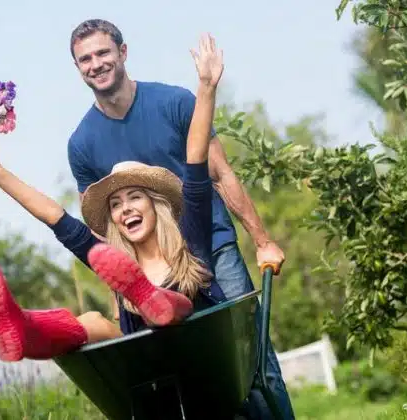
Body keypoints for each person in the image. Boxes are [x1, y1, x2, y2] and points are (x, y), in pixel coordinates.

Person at [66, 19, 295, 419]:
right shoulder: (82, 144)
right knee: (180, 376)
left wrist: (261, 240)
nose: (95, 64)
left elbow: (220, 174)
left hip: (211, 250)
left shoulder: (173, 103)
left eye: (103, 52)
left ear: (123, 52)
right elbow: (100, 227)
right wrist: (118, 286)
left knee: (251, 361)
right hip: (149, 273)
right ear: (78, 68)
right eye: (85, 59)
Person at [0, 32, 227, 360]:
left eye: (134, 197)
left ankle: (156, 301)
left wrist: (206, 87)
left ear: (155, 202)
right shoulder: (114, 259)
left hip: (203, 350)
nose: (125, 209)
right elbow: (55, 217)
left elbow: (195, 159)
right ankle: (23, 327)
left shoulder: (190, 240)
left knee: (170, 309)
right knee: (93, 322)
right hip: (151, 366)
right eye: (116, 205)